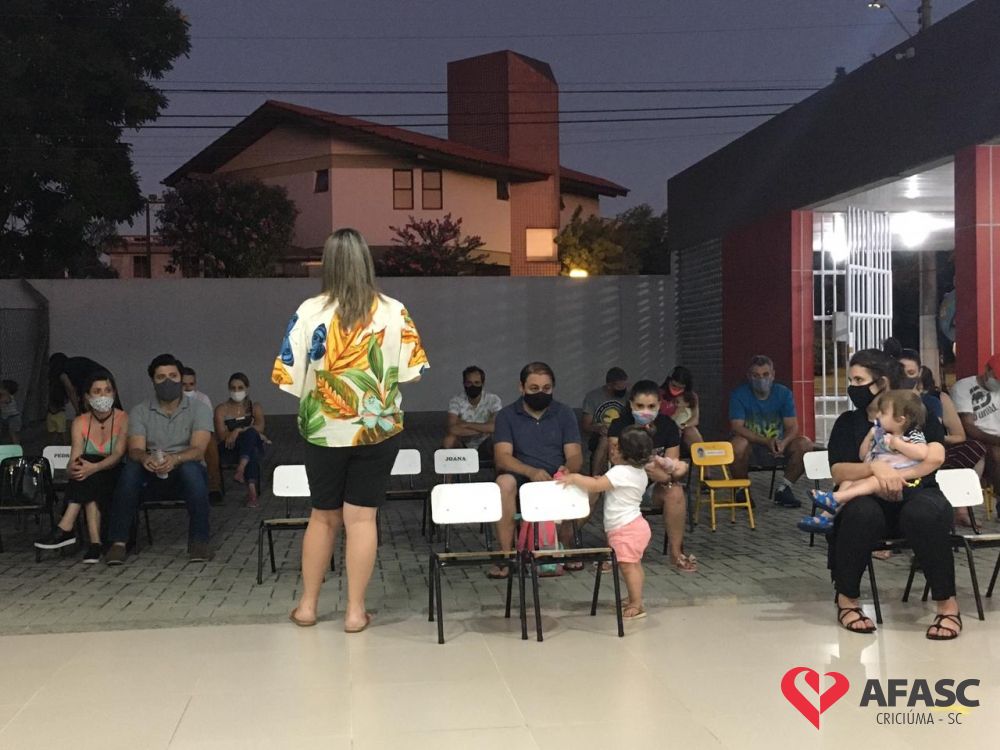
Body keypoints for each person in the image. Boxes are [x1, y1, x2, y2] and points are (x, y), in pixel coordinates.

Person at [273, 228, 427, 633]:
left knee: (323, 517)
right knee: (362, 519)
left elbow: (288, 378)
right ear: (366, 262)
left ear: (328, 264)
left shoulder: (309, 311)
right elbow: (412, 374)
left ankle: (307, 607)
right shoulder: (394, 311)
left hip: (322, 430)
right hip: (377, 431)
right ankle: (355, 612)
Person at [827, 349, 960, 640]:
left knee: (925, 512)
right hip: (869, 498)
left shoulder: (917, 414)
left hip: (917, 491)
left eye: (859, 380)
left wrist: (897, 475)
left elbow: (935, 457)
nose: (853, 387)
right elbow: (838, 472)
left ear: (882, 382)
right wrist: (874, 468)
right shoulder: (848, 423)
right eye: (851, 380)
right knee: (860, 512)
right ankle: (847, 600)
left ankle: (947, 606)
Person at [104, 354, 214, 566]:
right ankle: (118, 542)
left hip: (184, 470)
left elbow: (199, 450)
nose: (168, 382)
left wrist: (175, 459)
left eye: (173, 376)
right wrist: (145, 458)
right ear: (153, 381)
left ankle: (199, 541)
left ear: (181, 379)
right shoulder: (140, 411)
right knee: (130, 470)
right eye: (161, 377)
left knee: (191, 469)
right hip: (152, 471)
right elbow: (135, 448)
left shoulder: (199, 409)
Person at [489, 362, 582, 578]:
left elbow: (575, 455)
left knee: (593, 487)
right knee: (503, 483)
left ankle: (562, 546)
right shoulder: (507, 415)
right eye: (534, 388)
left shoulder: (564, 413)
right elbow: (502, 457)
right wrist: (531, 472)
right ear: (521, 388)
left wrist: (568, 469)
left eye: (546, 389)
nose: (541, 393)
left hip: (557, 480)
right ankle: (506, 556)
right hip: (521, 481)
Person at [558, 425, 657, 620]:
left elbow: (596, 485)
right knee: (634, 565)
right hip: (634, 526)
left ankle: (636, 604)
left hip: (625, 528)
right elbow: (606, 483)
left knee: (628, 567)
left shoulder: (620, 472)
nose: (612, 449)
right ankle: (635, 597)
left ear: (626, 454)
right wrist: (602, 480)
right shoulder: (638, 472)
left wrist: (575, 477)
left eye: (617, 447)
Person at [799, 390, 928, 533]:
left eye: (883, 413)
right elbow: (862, 456)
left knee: (873, 481)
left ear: (900, 420)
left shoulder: (913, 434)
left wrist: (897, 444)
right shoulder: (882, 435)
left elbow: (922, 453)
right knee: (848, 482)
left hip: (903, 485)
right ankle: (826, 518)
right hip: (880, 481)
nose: (877, 416)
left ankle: (835, 498)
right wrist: (868, 438)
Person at [34, 371, 128, 562]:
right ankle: (95, 544)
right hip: (89, 475)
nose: (103, 395)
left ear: (114, 393)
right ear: (87, 396)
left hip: (114, 471)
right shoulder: (80, 422)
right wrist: (72, 469)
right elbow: (75, 456)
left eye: (107, 390)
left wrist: (93, 467)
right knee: (84, 470)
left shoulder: (123, 418)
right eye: (97, 391)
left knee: (89, 468)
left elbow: (118, 454)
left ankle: (67, 527)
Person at [609, 380, 693, 572]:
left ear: (659, 405)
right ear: (631, 404)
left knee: (675, 492)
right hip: (625, 485)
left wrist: (666, 475)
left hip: (653, 486)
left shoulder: (668, 426)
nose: (645, 411)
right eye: (640, 406)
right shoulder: (619, 425)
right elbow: (615, 458)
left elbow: (672, 464)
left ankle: (676, 553)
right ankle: (614, 553)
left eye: (651, 406)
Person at [729, 355, 814, 507]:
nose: (761, 379)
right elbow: (737, 427)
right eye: (756, 375)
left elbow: (793, 426)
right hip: (752, 445)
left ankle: (784, 489)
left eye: (765, 374)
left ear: (773, 375)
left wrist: (783, 442)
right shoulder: (739, 395)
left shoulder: (784, 393)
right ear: (749, 376)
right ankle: (742, 490)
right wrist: (765, 441)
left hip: (778, 444)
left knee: (805, 444)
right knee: (736, 445)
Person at [215, 372, 268, 508]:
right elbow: (222, 436)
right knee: (251, 443)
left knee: (251, 437)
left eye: (240, 388)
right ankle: (252, 493)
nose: (236, 391)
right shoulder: (221, 409)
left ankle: (242, 470)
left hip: (247, 447)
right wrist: (246, 432)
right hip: (230, 448)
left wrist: (237, 430)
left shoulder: (254, 407)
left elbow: (260, 427)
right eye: (233, 388)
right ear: (229, 389)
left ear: (247, 388)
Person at [950, 353, 1000, 499]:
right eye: (997, 377)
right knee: (996, 454)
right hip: (979, 439)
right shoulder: (964, 387)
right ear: (987, 369)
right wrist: (997, 441)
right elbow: (968, 426)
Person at [182, 367, 223, 505]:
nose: (188, 388)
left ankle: (213, 487)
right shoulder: (173, 400)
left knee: (210, 442)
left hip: (199, 434)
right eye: (184, 384)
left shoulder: (203, 399)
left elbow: (207, 424)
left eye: (191, 384)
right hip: (179, 436)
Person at [442, 365, 502, 458]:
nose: (473, 386)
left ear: (483, 383)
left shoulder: (493, 400)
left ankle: (499, 468)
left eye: (477, 383)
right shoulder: (456, 401)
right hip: (463, 443)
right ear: (464, 383)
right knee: (448, 441)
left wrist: (465, 424)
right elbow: (452, 429)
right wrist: (484, 429)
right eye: (469, 383)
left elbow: (495, 427)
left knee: (499, 441)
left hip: (486, 443)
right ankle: (452, 468)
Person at [581, 367, 629, 475]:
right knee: (605, 439)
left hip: (623, 434)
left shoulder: (628, 396)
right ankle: (595, 477)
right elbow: (586, 426)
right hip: (600, 436)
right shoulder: (593, 397)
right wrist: (598, 428)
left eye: (625, 386)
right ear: (609, 385)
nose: (623, 390)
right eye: (619, 387)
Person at [48, 353, 117, 416]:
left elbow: (71, 390)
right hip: (107, 375)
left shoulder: (62, 371)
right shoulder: (75, 363)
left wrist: (78, 411)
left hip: (94, 378)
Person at [659, 366, 703, 451]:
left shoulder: (691, 397)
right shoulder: (659, 394)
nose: (676, 389)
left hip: (682, 430)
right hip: (664, 430)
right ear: (669, 381)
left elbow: (695, 419)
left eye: (680, 387)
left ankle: (703, 457)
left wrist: (682, 426)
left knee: (691, 431)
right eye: (674, 385)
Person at [0, 379, 21, 444]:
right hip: (4, 417)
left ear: (6, 390)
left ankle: (17, 446)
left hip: (13, 417)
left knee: (13, 433)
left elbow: (3, 400)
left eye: (1, 388)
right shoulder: (3, 395)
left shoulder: (8, 397)